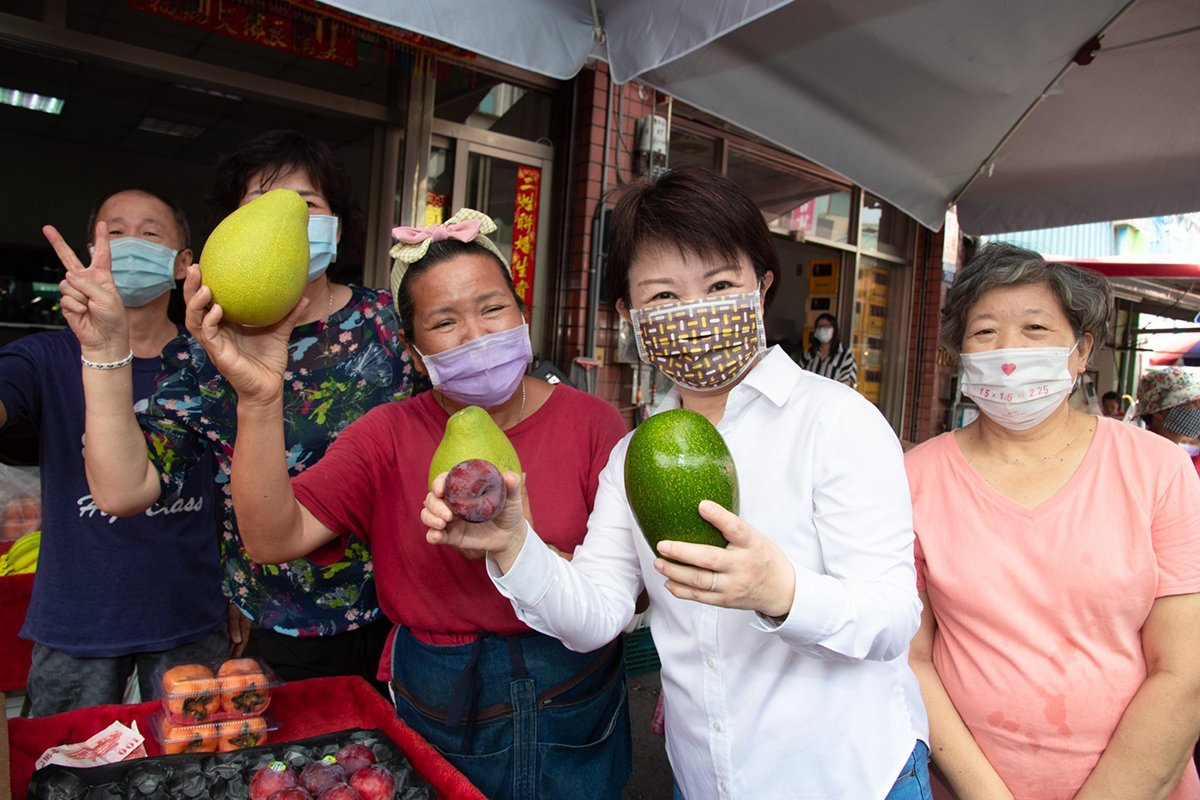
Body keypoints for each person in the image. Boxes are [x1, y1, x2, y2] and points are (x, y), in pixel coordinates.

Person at [424, 169, 930, 799]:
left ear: (762, 287)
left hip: (852, 778)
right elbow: (596, 615)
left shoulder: (836, 420)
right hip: (705, 781)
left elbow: (891, 619)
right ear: (627, 315)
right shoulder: (636, 454)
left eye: (720, 284)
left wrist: (781, 591)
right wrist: (512, 543)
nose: (695, 311)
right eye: (663, 296)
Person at [189, 208, 633, 800]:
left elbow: (633, 591)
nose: (476, 336)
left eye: (492, 309)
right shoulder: (386, 434)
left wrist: (522, 548)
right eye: (444, 322)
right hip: (439, 692)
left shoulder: (594, 422)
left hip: (576, 687)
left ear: (523, 315)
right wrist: (259, 399)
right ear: (415, 351)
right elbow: (272, 538)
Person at [58, 131, 425, 688]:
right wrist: (105, 350)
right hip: (279, 626)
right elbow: (123, 490)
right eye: (259, 204)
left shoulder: (393, 323)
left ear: (338, 226)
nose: (288, 218)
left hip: (408, 614)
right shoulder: (208, 349)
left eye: (308, 205)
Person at [905, 243, 1200, 799]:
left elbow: (1183, 671)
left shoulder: (1157, 469)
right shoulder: (914, 479)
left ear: (1081, 349)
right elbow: (912, 657)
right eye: (985, 332)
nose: (1009, 352)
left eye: (1036, 328)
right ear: (960, 354)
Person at [7, 189, 226, 716]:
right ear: (89, 256)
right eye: (114, 232)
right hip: (77, 618)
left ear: (182, 265)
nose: (130, 245)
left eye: (150, 234)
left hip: (190, 616)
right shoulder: (44, 356)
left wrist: (243, 591)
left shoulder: (214, 360)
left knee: (196, 772)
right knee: (63, 770)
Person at [1137, 366, 1200, 477]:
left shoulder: (1176, 456)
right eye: (1191, 401)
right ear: (1160, 413)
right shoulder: (1149, 458)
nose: (1198, 407)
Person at [796, 312, 858, 387]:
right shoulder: (808, 353)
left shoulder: (845, 355)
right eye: (819, 326)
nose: (822, 329)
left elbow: (847, 383)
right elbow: (799, 376)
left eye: (826, 326)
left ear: (834, 329)